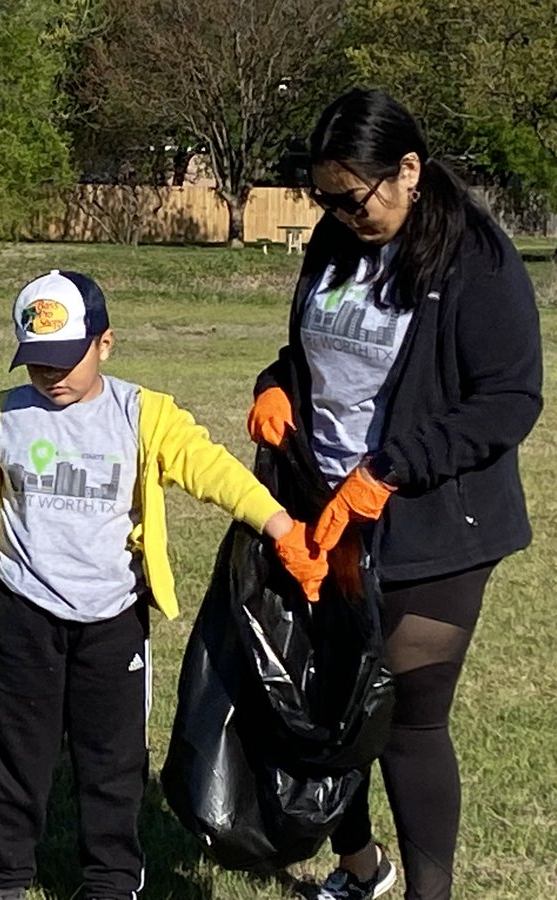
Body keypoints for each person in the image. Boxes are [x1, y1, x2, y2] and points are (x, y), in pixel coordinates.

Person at [0, 270, 327, 900]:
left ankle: (112, 882)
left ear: (106, 343)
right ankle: (4, 877)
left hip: (113, 619)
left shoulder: (142, 416)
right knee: (16, 756)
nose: (52, 376)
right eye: (37, 363)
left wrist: (281, 527)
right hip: (23, 615)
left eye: (66, 360)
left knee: (113, 763)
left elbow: (213, 470)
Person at [248, 89, 542, 900]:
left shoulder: (475, 258)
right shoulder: (334, 243)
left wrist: (389, 471)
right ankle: (359, 865)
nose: (342, 214)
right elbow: (318, 348)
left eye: (354, 197)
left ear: (408, 170)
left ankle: (428, 894)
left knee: (408, 719)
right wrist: (279, 385)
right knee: (324, 697)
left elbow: (510, 398)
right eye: (326, 200)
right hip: (322, 508)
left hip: (433, 522)